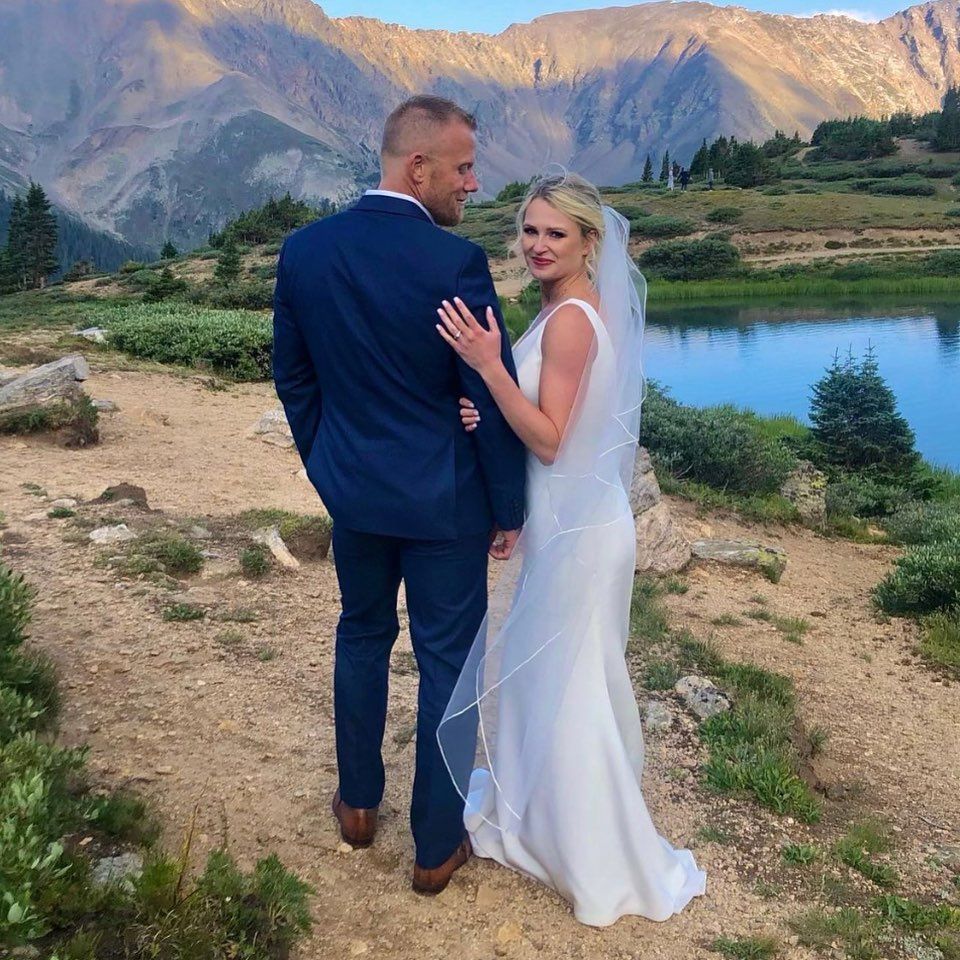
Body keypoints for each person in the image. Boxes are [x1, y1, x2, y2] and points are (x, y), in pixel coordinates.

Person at [435, 172, 706, 926]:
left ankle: (596, 857)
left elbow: (551, 441)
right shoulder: (561, 310)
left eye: (556, 233)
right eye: (529, 230)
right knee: (546, 682)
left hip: (582, 533)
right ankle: (545, 826)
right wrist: (489, 404)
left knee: (571, 686)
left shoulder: (571, 322)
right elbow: (549, 422)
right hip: (570, 522)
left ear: (591, 241)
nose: (538, 245)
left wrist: (490, 368)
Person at [272, 95, 526, 896]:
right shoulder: (452, 266)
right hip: (446, 505)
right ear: (418, 167)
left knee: (361, 634)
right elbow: (485, 395)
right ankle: (434, 848)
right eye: (462, 168)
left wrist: (329, 466)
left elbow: (295, 377)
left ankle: (356, 804)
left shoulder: (305, 251)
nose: (473, 184)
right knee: (447, 665)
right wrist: (508, 506)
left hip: (356, 499)